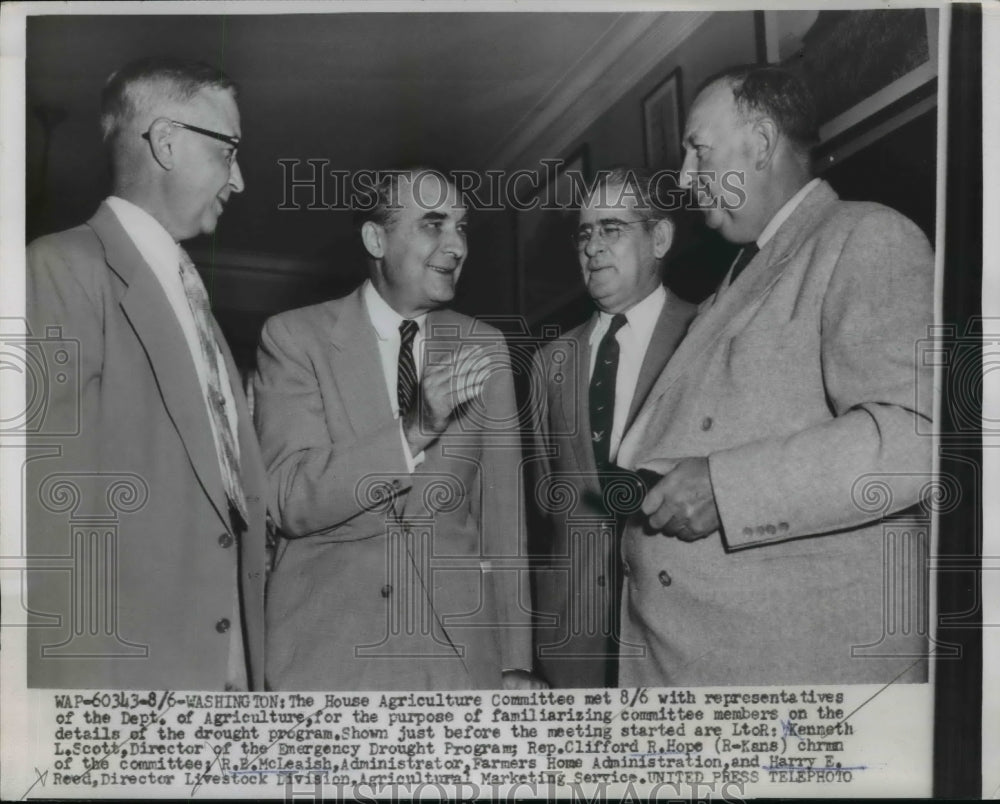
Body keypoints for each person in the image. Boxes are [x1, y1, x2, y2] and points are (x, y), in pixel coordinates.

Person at [615, 65, 934, 685]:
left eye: (698, 152)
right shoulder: (740, 273)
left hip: (797, 675)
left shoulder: (866, 235)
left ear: (759, 144)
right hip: (716, 663)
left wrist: (724, 487)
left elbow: (916, 440)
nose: (684, 180)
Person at [25, 57, 267, 689]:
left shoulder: (197, 308)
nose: (238, 179)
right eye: (228, 151)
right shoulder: (61, 267)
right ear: (165, 141)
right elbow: (50, 515)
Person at [255, 168, 539, 690]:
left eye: (462, 226)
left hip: (457, 662)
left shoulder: (485, 347)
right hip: (328, 661)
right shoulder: (295, 338)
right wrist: (411, 432)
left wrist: (514, 661)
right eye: (434, 224)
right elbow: (290, 497)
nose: (456, 245)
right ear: (376, 238)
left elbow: (504, 522)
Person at [530, 168, 696, 688]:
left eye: (612, 229)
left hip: (681, 638)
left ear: (660, 237)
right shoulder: (548, 362)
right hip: (571, 643)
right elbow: (541, 510)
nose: (593, 247)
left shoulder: (708, 333)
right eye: (584, 233)